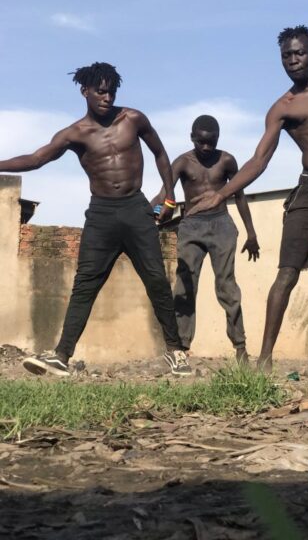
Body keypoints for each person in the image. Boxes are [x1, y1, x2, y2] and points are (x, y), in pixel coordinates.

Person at [189, 25, 308, 373]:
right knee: (286, 275)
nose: (292, 60)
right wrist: (222, 194)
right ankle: (264, 360)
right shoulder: (283, 108)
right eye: (286, 56)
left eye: (299, 53)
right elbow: (259, 160)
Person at [0, 62, 190, 377]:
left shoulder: (133, 119)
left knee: (156, 279)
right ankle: (61, 355)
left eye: (111, 90)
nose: (106, 96)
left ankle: (176, 351)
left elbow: (160, 153)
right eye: (100, 91)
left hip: (135, 208)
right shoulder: (75, 133)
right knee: (85, 285)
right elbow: (36, 159)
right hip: (102, 213)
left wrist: (169, 197)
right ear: (84, 91)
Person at [151, 115, 260, 364]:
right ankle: (181, 347)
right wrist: (147, 215)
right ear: (192, 138)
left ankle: (240, 347)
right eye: (202, 142)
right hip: (191, 226)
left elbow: (240, 196)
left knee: (227, 287)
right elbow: (164, 194)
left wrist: (251, 233)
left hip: (221, 224)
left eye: (212, 142)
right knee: (185, 285)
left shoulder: (227, 160)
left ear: (218, 139)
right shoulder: (182, 163)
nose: (207, 148)